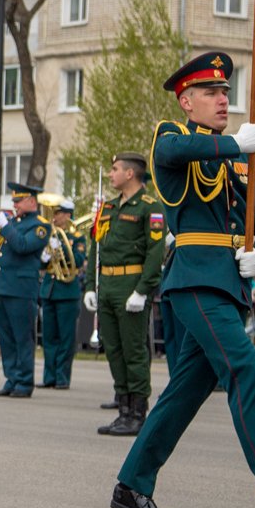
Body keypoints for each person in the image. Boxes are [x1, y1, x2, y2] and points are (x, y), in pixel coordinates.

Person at [111, 51, 255, 508]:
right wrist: (232, 144)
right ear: (187, 102)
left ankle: (131, 484)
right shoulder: (174, 137)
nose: (223, 99)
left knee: (188, 387)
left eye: (226, 92)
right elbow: (171, 158)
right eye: (211, 93)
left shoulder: (242, 157)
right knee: (246, 371)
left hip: (231, 282)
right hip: (195, 280)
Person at [87, 153, 164, 436]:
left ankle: (138, 413)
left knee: (134, 352)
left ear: (130, 174)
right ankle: (123, 410)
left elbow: (155, 253)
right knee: (114, 350)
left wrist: (143, 291)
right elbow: (96, 246)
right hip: (106, 285)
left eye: (115, 169)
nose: (110, 174)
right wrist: (89, 287)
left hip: (130, 286)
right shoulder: (108, 207)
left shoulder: (149, 207)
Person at [0, 183, 49, 398]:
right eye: (13, 201)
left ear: (32, 201)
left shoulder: (40, 226)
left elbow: (22, 246)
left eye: (18, 201)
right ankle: (11, 378)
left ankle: (24, 381)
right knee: (6, 337)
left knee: (23, 338)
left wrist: (4, 224)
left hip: (21, 289)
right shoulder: (13, 223)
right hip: (3, 286)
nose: (15, 205)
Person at [37, 196, 85, 389]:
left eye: (57, 213)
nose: (54, 217)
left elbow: (80, 260)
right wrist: (46, 255)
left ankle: (62, 378)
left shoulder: (77, 236)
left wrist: (62, 248)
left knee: (66, 338)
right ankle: (49, 377)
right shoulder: (50, 234)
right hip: (50, 289)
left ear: (67, 215)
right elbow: (41, 264)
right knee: (49, 337)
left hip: (67, 289)